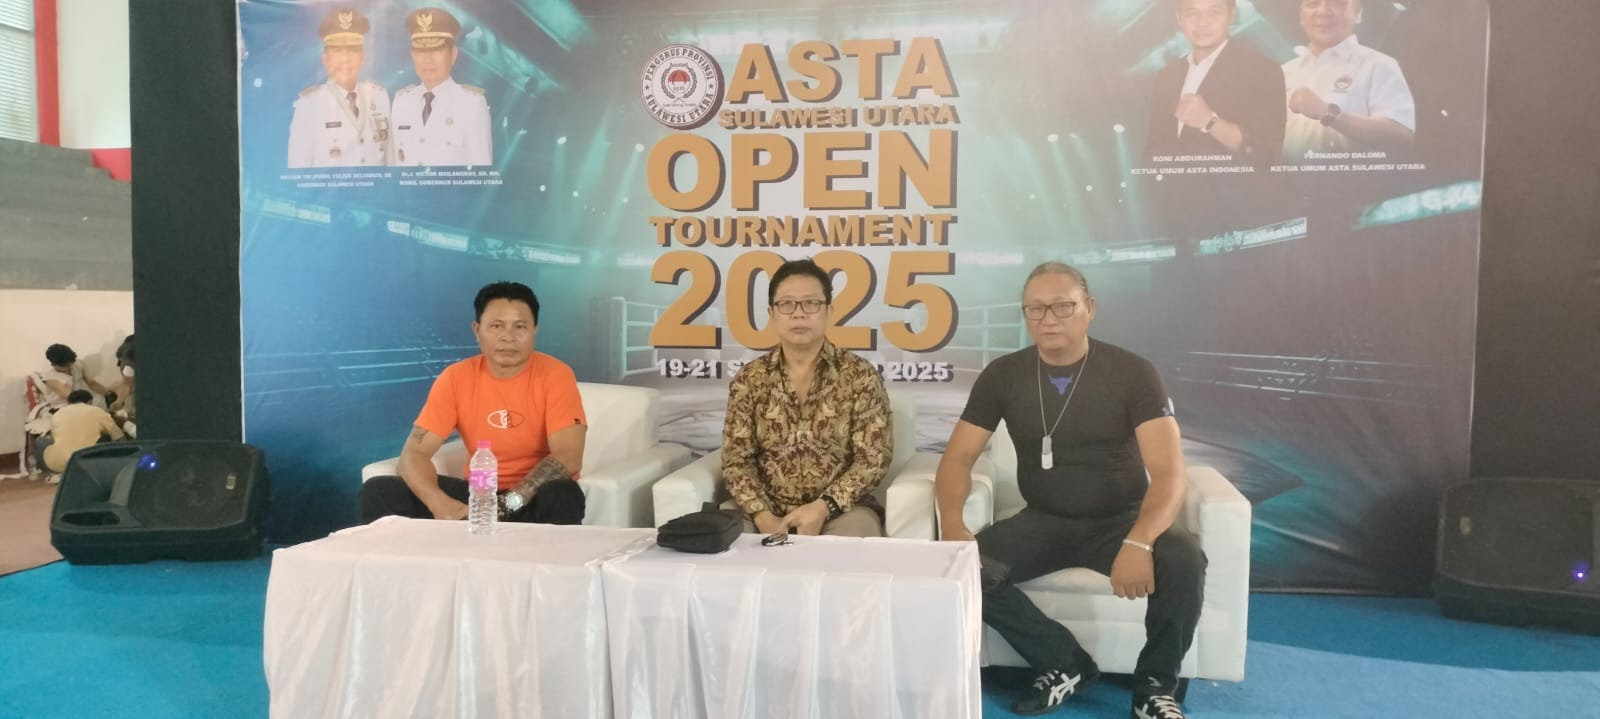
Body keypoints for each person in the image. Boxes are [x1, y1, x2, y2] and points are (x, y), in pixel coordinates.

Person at [934, 262, 1204, 719]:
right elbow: (957, 458)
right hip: (1043, 520)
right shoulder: (1004, 375)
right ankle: (1064, 660)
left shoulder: (1133, 372)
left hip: (1119, 520)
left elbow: (1169, 472)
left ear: (1089, 308)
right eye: (1035, 309)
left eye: (1063, 306)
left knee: (1183, 557)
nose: (1049, 319)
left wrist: (1140, 541)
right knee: (961, 568)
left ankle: (1155, 688)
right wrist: (954, 526)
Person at [358, 281, 587, 525]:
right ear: (477, 330)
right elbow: (414, 453)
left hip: (531, 499)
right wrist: (440, 503)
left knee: (562, 493)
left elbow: (569, 455)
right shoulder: (455, 378)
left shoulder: (556, 374)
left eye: (520, 326)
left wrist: (507, 504)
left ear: (534, 330)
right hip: (477, 495)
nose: (508, 337)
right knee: (379, 490)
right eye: (496, 326)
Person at [721, 259, 893, 537]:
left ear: (828, 311)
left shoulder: (860, 376)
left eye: (811, 303)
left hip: (841, 510)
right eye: (787, 304)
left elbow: (872, 460)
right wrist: (762, 516)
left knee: (851, 545)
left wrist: (823, 508)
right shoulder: (749, 379)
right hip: (763, 509)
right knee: (727, 542)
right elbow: (736, 460)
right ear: (772, 313)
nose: (798, 314)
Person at [1143, 0, 1286, 169]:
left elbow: (1267, 154)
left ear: (1232, 15)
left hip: (1233, 185)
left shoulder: (1263, 70)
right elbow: (1153, 151)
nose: (1202, 22)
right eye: (1192, 13)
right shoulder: (1165, 77)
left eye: (1214, 12)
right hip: (1171, 185)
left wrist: (1210, 122)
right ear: (1179, 19)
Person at [1282, 0, 1415, 160]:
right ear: (1301, 16)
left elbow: (1401, 133)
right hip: (1288, 175)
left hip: (1357, 175)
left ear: (1358, 13)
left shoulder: (1379, 65)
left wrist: (1328, 113)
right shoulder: (1285, 72)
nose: (1323, 11)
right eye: (1313, 4)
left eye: (1337, 3)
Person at [287, 8, 391, 168]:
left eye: (353, 50)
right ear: (325, 58)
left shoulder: (379, 96)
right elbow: (299, 171)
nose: (345, 59)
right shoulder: (309, 104)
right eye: (337, 50)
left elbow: (391, 165)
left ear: (363, 56)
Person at [389, 7, 493, 167]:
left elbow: (480, 172)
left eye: (436, 49)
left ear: (453, 55)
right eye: (421, 50)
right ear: (412, 56)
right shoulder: (401, 101)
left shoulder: (472, 104)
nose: (427, 59)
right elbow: (393, 167)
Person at [35, 390, 125, 482]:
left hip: (57, 463)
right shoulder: (97, 411)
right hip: (85, 461)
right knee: (105, 437)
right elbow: (119, 437)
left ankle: (54, 473)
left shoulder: (57, 414)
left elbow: (55, 438)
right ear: (90, 402)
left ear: (69, 402)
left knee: (41, 440)